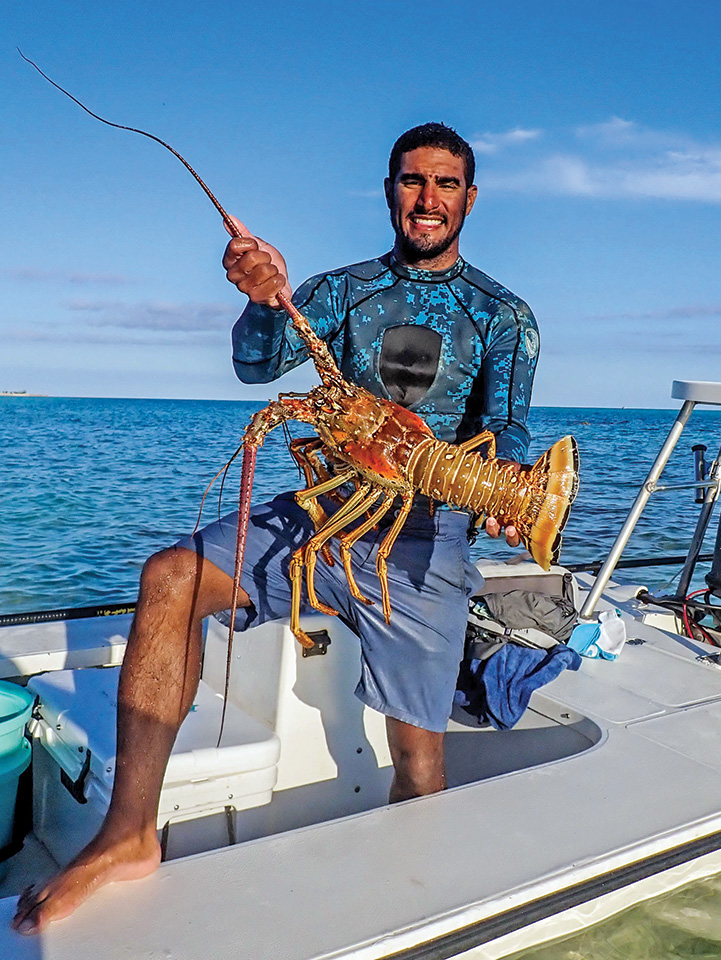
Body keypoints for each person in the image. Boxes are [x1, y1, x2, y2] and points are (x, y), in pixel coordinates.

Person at [12, 122, 539, 935]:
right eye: (411, 181)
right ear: (389, 189)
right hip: (324, 514)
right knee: (170, 575)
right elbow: (257, 369)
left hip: (426, 541)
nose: (426, 198)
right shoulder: (343, 291)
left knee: (421, 766)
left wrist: (502, 486)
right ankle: (127, 835)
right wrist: (262, 302)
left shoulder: (503, 315)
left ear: (470, 198)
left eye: (444, 184)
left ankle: (422, 906)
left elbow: (508, 429)